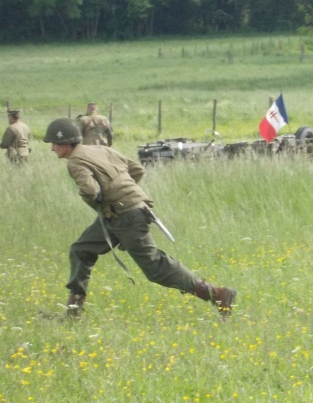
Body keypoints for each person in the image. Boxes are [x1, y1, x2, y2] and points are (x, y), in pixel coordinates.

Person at [43, 117, 236, 318]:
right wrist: (123, 194)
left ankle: (218, 295)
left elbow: (91, 190)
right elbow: (136, 169)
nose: (52, 149)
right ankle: (73, 312)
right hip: (121, 214)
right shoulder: (100, 149)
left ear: (65, 143)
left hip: (125, 216)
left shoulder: (75, 161)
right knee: (81, 250)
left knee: (155, 268)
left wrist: (107, 198)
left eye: (54, 144)